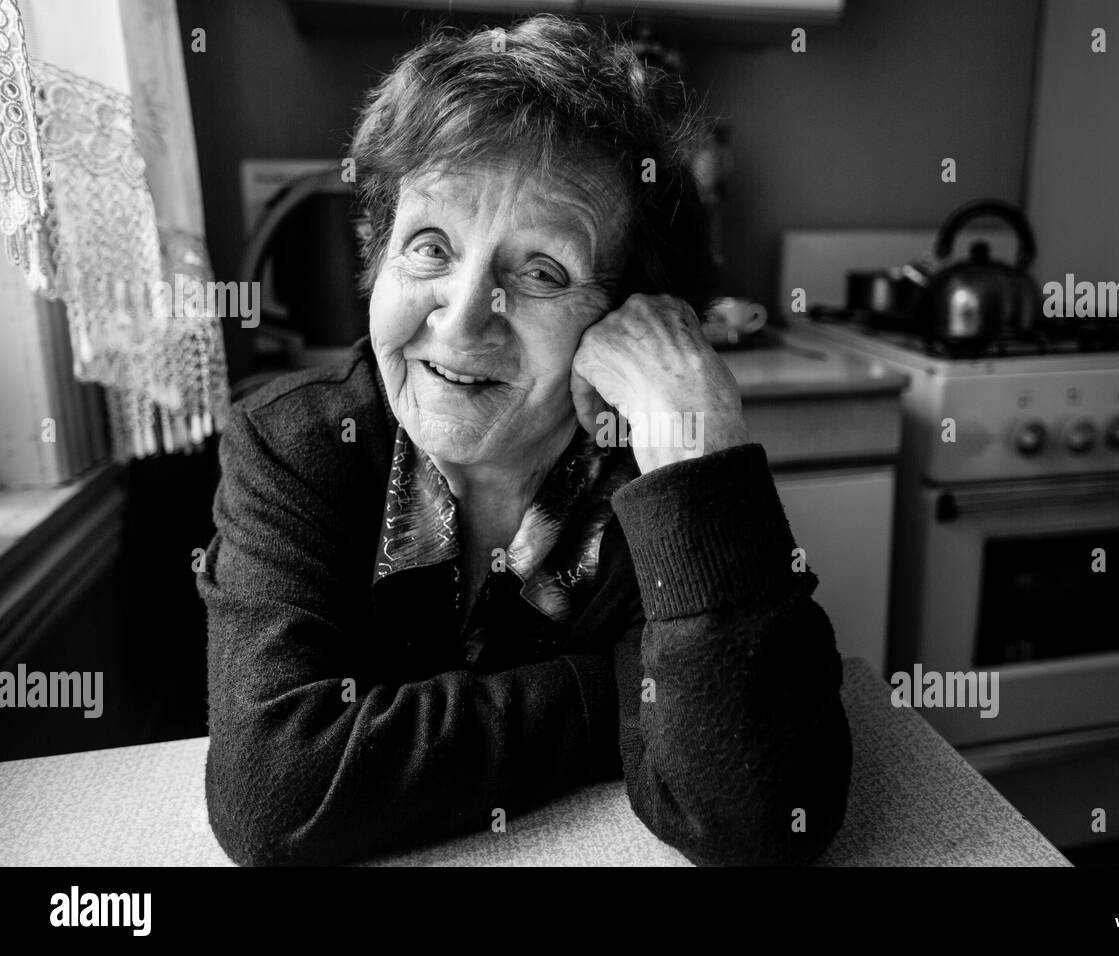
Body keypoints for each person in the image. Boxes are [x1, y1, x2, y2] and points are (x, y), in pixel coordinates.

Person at [198, 13, 851, 867]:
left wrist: (700, 451)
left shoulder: (649, 478)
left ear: (623, 320)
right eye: (429, 247)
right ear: (378, 261)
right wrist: (612, 699)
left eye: (540, 271)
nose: (464, 320)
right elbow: (275, 795)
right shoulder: (294, 445)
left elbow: (766, 818)